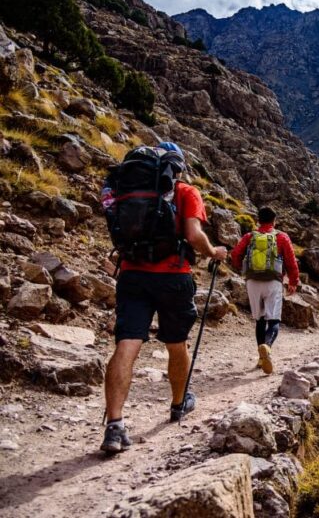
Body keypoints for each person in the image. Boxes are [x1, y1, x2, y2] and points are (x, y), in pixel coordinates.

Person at [100, 141, 228, 454]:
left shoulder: (125, 189)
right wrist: (214, 252)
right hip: (173, 277)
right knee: (176, 343)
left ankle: (114, 425)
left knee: (127, 344)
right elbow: (194, 234)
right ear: (177, 167)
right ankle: (178, 403)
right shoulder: (185, 191)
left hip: (132, 275)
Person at [230, 207, 299, 374]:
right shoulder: (281, 237)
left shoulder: (249, 237)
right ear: (274, 221)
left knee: (259, 320)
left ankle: (261, 359)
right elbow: (291, 261)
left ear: (258, 220)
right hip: (273, 282)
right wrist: (293, 281)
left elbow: (235, 255)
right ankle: (266, 347)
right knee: (273, 320)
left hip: (253, 282)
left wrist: (243, 269)